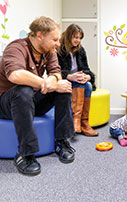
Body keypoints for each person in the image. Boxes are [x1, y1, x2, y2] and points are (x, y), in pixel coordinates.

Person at [0, 16, 76, 176]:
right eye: (54, 39)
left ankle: (61, 141)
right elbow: (15, 75)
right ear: (40, 35)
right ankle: (25, 153)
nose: (58, 44)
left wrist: (53, 80)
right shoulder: (16, 48)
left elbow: (56, 73)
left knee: (63, 88)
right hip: (6, 104)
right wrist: (44, 82)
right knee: (24, 89)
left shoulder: (49, 51)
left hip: (30, 103)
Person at [57, 24, 98, 137]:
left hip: (79, 80)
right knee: (84, 85)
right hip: (65, 80)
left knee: (88, 85)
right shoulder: (59, 50)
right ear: (69, 36)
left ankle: (83, 122)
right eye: (75, 37)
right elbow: (56, 72)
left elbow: (87, 70)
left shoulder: (80, 50)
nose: (78, 40)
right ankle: (77, 120)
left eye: (80, 38)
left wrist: (87, 77)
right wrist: (70, 76)